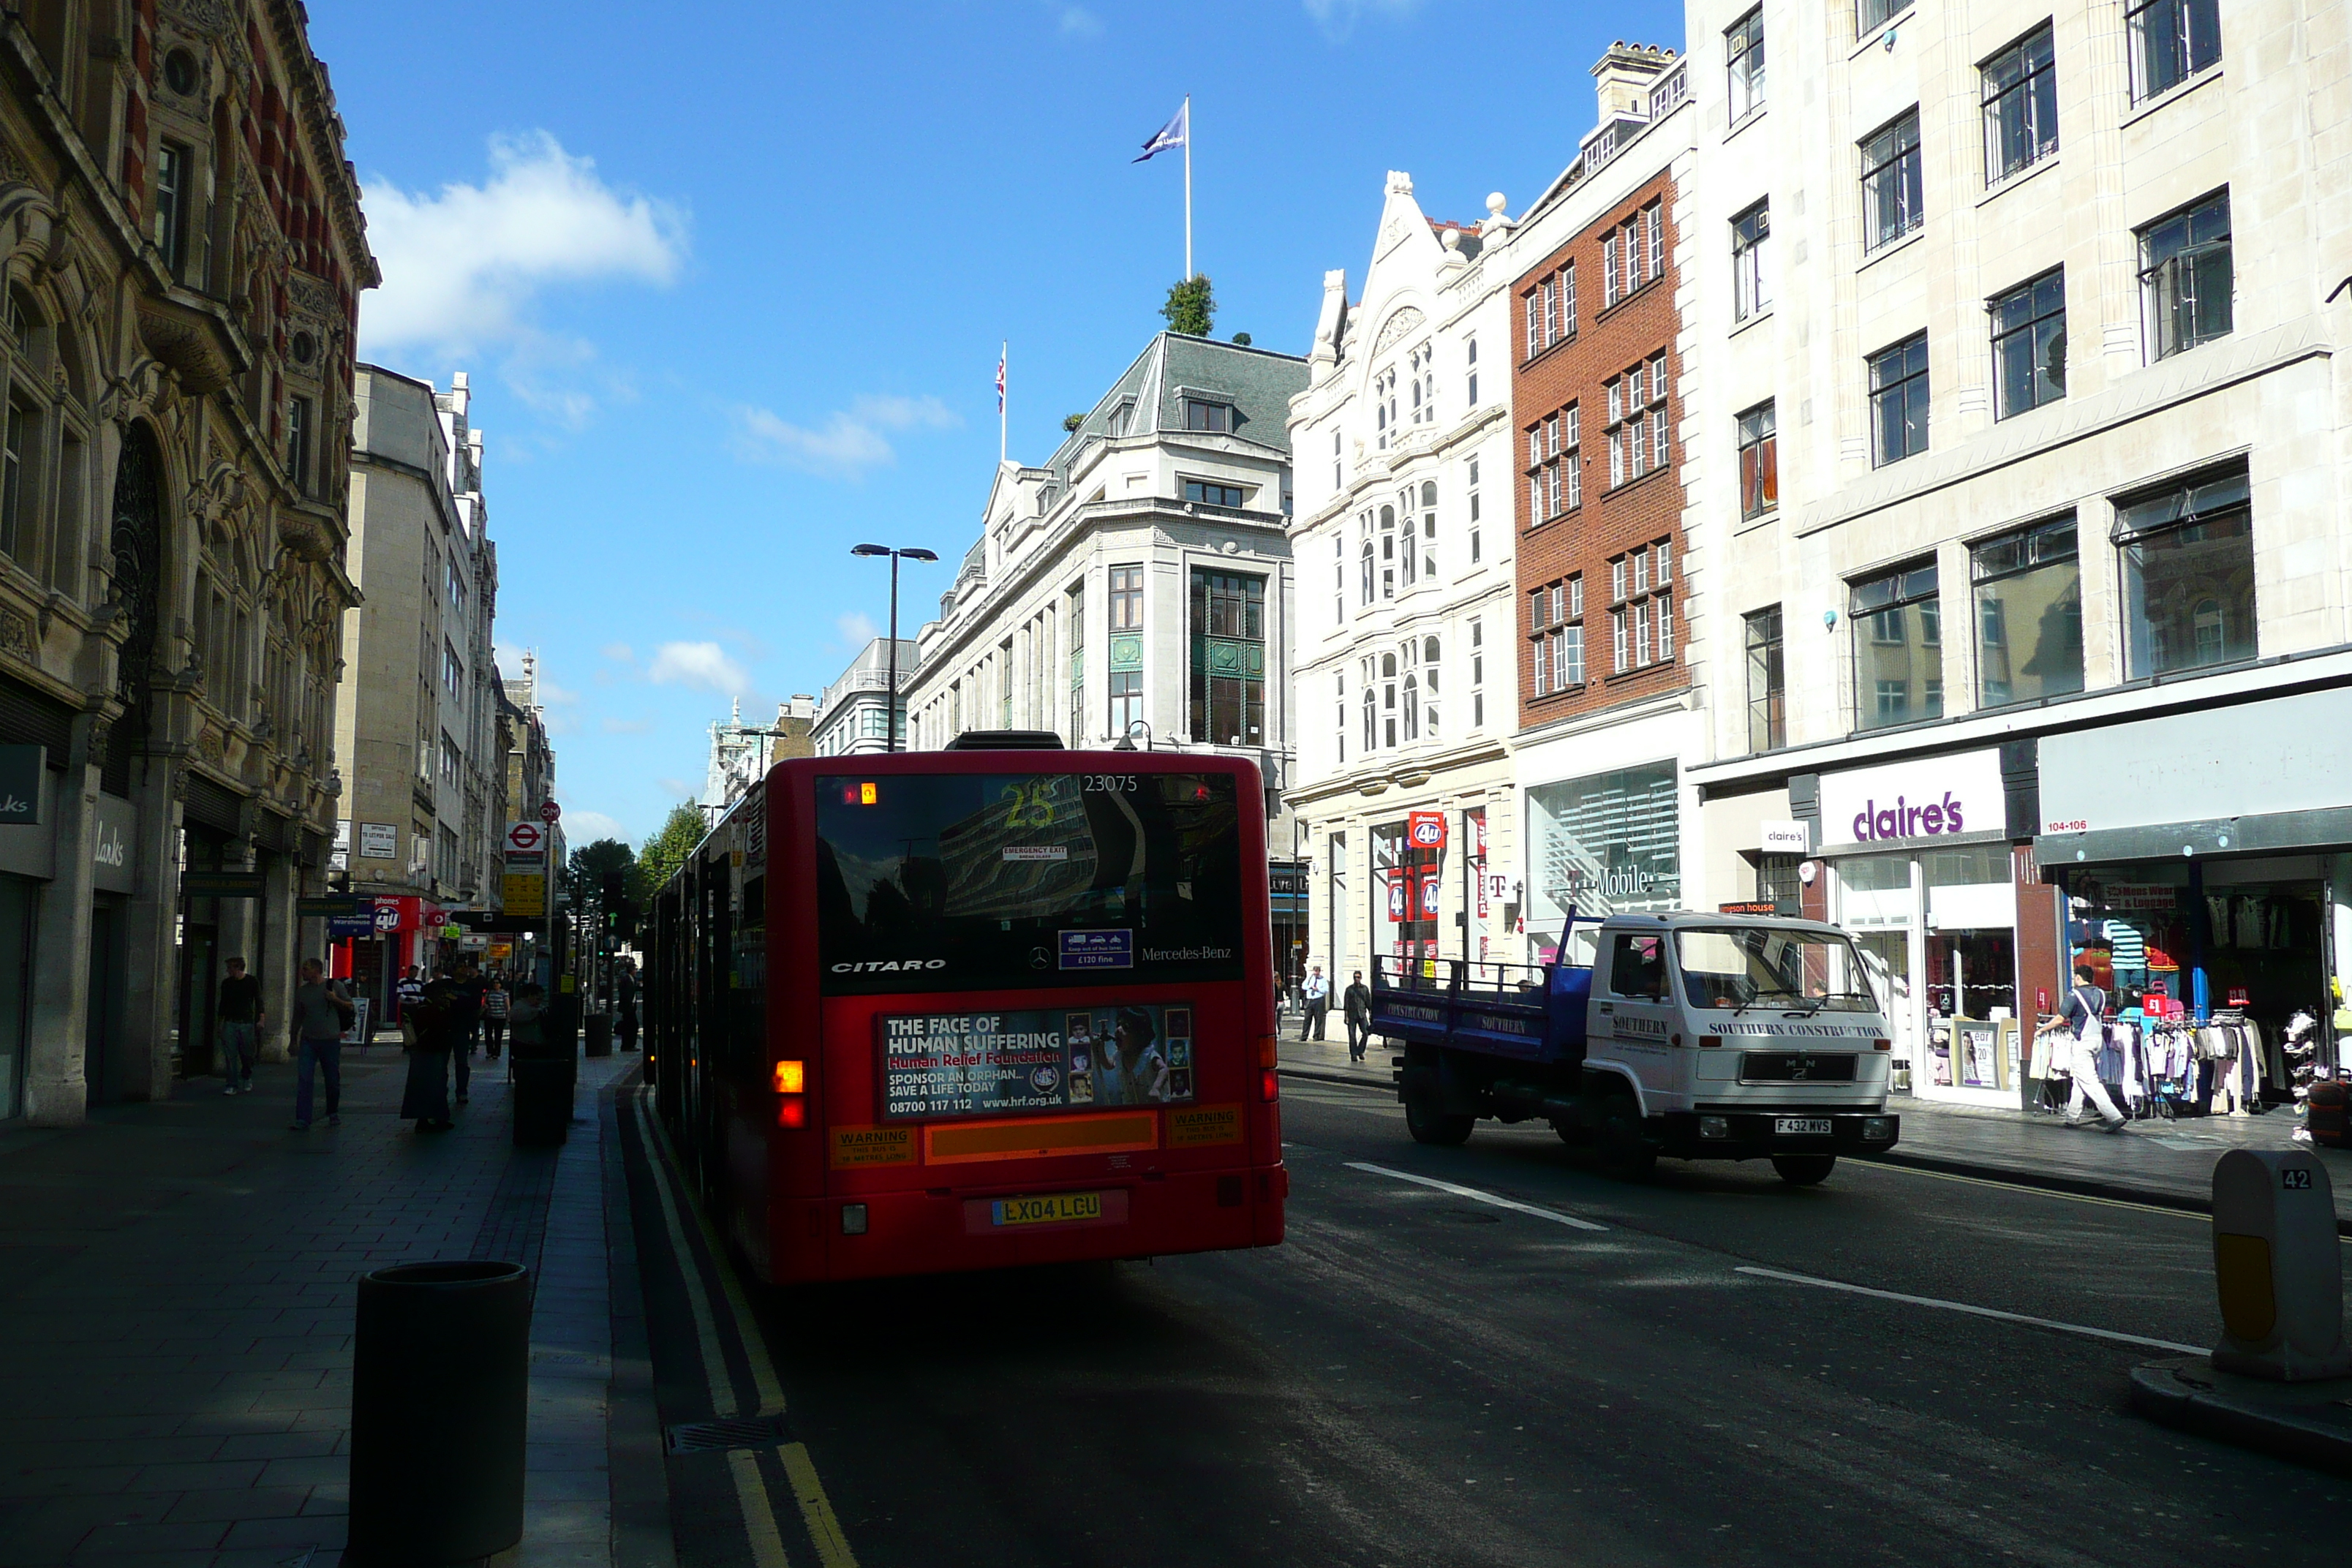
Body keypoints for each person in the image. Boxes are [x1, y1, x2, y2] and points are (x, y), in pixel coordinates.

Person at [2059, 960, 2127, 1133]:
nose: (2074, 979)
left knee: (2090, 1081)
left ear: (2079, 978)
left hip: (2082, 1043)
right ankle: (2071, 1117)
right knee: (2080, 1080)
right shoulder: (2102, 994)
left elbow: (2061, 1018)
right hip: (2098, 1041)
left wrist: (2042, 1030)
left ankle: (2114, 1116)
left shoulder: (2074, 995)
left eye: (2075, 976)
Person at [289, 958, 353, 1131]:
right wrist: (293, 1039)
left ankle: (333, 1111)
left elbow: (350, 1006)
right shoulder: (302, 992)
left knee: (332, 1078)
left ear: (316, 971)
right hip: (309, 1040)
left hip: (330, 1040)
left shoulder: (334, 986)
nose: (302, 973)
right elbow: (298, 1017)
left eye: (305, 970)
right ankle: (303, 1118)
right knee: (304, 1079)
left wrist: (335, 1000)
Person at [400, 973, 459, 1133]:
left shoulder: (427, 1008)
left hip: (430, 1051)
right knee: (432, 1085)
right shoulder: (429, 1010)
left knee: (431, 1085)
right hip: (429, 1051)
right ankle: (430, 1118)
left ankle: (432, 1117)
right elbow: (441, 1027)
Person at [216, 956, 263, 1095]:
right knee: (230, 1055)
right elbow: (223, 1004)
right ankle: (232, 1084)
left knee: (246, 1054)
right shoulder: (227, 984)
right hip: (231, 1022)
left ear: (238, 968)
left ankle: (247, 1076)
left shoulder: (251, 981)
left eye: (230, 967)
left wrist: (261, 1019)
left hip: (247, 1022)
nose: (228, 970)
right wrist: (221, 1023)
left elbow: (259, 1000)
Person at [448, 957, 486, 1104]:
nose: (464, 969)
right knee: (441, 1061)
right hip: (446, 1028)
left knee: (462, 1062)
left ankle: (462, 1091)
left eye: (465, 967)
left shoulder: (472, 986)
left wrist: (456, 1000)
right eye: (460, 967)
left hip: (462, 1028)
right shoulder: (447, 984)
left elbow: (475, 1004)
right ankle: (440, 1090)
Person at [1343, 970, 1373, 1063]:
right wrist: (1346, 1016)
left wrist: (1371, 1014)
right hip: (1352, 1015)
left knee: (1366, 1033)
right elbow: (1346, 1004)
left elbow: (1368, 1002)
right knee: (1352, 1036)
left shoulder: (1365, 989)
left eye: (1358, 977)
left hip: (1362, 1014)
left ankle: (1360, 1051)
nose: (1357, 979)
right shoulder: (1349, 989)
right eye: (1355, 977)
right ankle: (1353, 1054)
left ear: (1361, 978)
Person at [480, 973, 510, 1060]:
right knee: (488, 1035)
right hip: (490, 1016)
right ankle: (490, 1051)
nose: (495, 984)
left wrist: (508, 1016)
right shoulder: (489, 993)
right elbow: (485, 1003)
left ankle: (497, 1052)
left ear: (501, 984)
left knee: (498, 1036)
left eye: (497, 983)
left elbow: (507, 1006)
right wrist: (485, 1006)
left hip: (500, 1017)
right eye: (494, 983)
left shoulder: (504, 994)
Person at [1300, 964, 1330, 1041]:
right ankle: (1304, 1036)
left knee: (1318, 1019)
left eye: (1317, 972)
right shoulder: (1310, 978)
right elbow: (1303, 986)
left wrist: (1318, 989)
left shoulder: (1323, 980)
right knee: (1307, 1019)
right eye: (1315, 972)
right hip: (1310, 1000)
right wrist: (1309, 987)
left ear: (1319, 972)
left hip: (1318, 999)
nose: (1316, 974)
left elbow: (1326, 990)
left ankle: (1316, 1036)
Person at [616, 962, 640, 1053]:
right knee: (631, 1026)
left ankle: (628, 1045)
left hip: (631, 1007)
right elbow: (625, 993)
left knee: (631, 1026)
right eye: (635, 970)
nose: (636, 971)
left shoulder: (632, 979)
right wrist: (629, 1004)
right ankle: (628, 1045)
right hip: (628, 1007)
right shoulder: (626, 979)